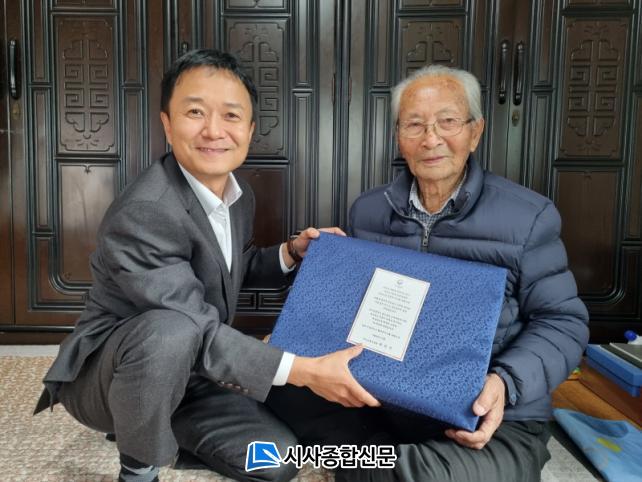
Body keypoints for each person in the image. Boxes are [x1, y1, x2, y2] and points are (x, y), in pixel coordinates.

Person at [34, 49, 379, 482]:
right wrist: (306, 372)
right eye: (195, 112)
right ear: (167, 124)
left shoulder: (237, 195)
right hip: (113, 374)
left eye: (231, 116)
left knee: (275, 462)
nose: (214, 130)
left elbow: (228, 270)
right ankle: (138, 464)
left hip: (193, 367)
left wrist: (292, 252)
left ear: (249, 130)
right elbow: (191, 324)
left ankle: (150, 422)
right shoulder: (145, 211)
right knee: (171, 331)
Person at [267, 64, 590, 481]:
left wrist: (505, 383)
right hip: (385, 398)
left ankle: (373, 463)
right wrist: (320, 271)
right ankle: (375, 460)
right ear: (398, 137)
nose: (431, 138)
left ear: (475, 132)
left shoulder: (529, 217)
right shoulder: (368, 210)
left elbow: (563, 321)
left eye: (448, 121)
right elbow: (356, 309)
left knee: (419, 475)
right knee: (275, 384)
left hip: (488, 415)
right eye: (414, 124)